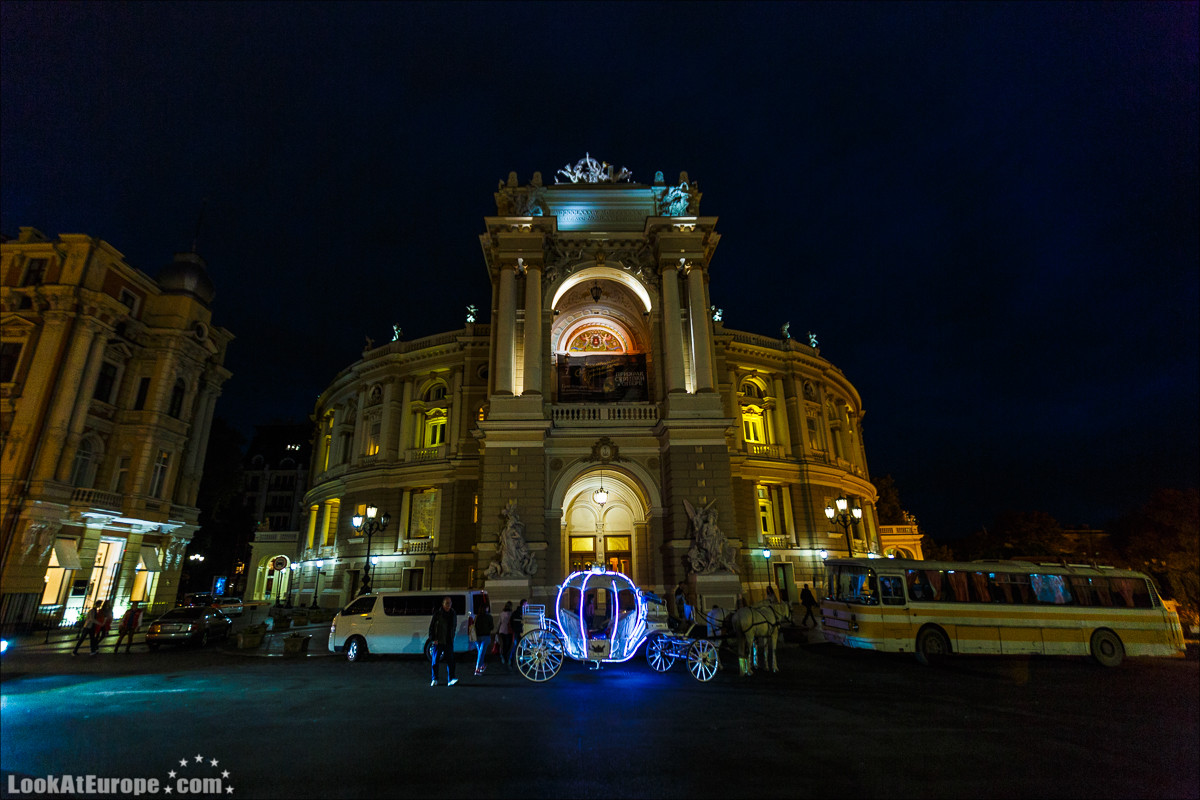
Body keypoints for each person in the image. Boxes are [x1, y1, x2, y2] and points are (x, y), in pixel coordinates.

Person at [427, 596, 458, 687]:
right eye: (447, 603)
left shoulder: (453, 613)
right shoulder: (437, 614)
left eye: (450, 603)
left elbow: (454, 626)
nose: (449, 605)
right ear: (443, 604)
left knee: (451, 661)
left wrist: (452, 636)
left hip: (448, 640)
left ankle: (451, 679)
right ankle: (434, 679)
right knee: (435, 660)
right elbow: (431, 627)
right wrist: (433, 638)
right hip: (439, 640)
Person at [473, 603, 494, 676]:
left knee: (480, 652)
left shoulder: (477, 617)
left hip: (477, 636)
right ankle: (477, 668)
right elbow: (492, 627)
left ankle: (481, 665)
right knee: (482, 652)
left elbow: (475, 626)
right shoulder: (489, 617)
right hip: (485, 636)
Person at [497, 601, 514, 671]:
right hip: (509, 631)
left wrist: (497, 630)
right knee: (508, 645)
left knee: (504, 645)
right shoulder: (511, 614)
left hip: (502, 631)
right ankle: (506, 658)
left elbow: (499, 622)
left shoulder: (502, 614)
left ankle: (504, 657)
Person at [508, 599, 525, 668]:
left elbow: (511, 622)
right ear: (523, 604)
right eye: (526, 604)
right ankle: (520, 661)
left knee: (515, 646)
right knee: (521, 647)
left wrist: (514, 629)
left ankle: (511, 660)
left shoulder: (515, 612)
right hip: (522, 632)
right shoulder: (523, 612)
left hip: (516, 631)